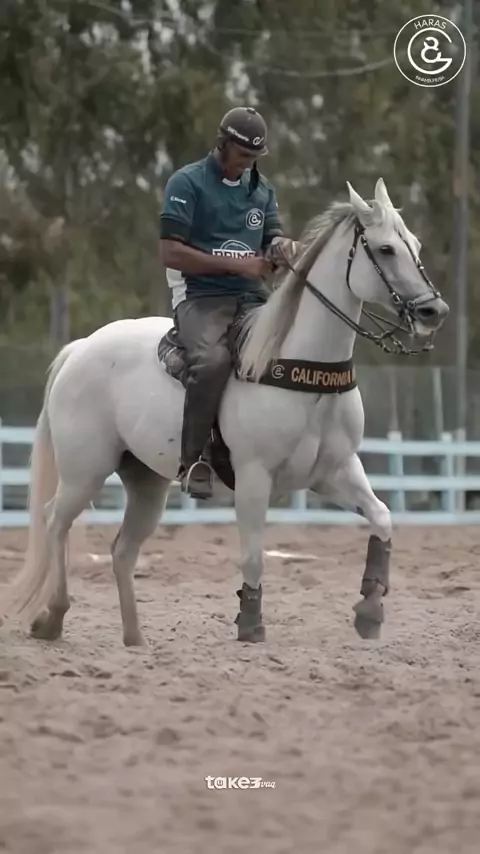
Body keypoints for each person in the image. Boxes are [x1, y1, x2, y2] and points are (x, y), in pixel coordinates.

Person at [159, 106, 296, 500]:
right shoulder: (187, 183)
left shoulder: (262, 189)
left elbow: (271, 236)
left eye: (254, 157)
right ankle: (192, 462)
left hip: (252, 297)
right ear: (222, 144)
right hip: (200, 296)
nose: (247, 163)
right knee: (214, 361)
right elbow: (170, 252)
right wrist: (239, 265)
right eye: (242, 155)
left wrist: (282, 246)